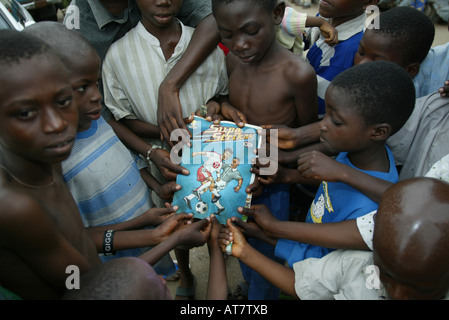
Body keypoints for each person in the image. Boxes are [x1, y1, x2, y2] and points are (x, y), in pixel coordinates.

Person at [0, 29, 209, 300]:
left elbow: (79, 239)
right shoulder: (15, 206)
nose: (56, 124)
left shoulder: (46, 160)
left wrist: (149, 230)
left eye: (63, 101)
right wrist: (170, 241)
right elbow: (84, 284)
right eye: (26, 113)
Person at [23, 21, 181, 283]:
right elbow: (80, 237)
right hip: (114, 265)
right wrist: (155, 234)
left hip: (149, 235)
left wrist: (155, 187)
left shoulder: (100, 123)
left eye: (96, 83)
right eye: (81, 88)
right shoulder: (54, 159)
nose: (97, 96)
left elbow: (127, 161)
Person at [101, 0, 230, 299]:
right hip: (165, 164)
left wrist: (214, 108)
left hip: (213, 158)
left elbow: (223, 95)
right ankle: (185, 271)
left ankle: (220, 265)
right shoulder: (118, 56)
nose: (163, 0)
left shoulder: (206, 45)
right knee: (177, 224)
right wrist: (164, 133)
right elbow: (123, 119)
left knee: (218, 219)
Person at [234, 61, 415, 270]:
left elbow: (319, 263)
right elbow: (334, 185)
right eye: (326, 114)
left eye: (336, 121)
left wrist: (271, 233)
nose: (323, 125)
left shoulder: (369, 211)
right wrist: (287, 176)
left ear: (378, 132)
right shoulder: (357, 153)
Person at [211, 0, 318, 300]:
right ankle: (251, 287)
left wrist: (283, 171)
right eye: (227, 35)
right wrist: (225, 107)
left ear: (276, 14)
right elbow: (229, 103)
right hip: (232, 174)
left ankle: (263, 296)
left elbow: (307, 134)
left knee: (266, 248)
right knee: (236, 237)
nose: (240, 44)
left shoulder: (297, 73)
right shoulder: (233, 60)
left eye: (250, 31)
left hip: (271, 183)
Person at [223, 177, 449, 300]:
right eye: (386, 275)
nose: (398, 294)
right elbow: (303, 284)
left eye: (424, 290)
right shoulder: (356, 263)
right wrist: (245, 252)